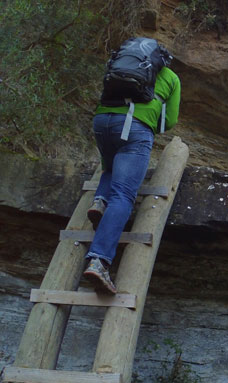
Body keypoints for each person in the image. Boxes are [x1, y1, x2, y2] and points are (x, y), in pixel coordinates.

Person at [82, 41, 181, 295]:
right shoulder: (170, 77)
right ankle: (99, 260)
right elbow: (169, 120)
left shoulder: (121, 65)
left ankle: (99, 201)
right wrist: (149, 122)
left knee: (112, 165)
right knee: (124, 196)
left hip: (102, 122)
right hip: (135, 129)